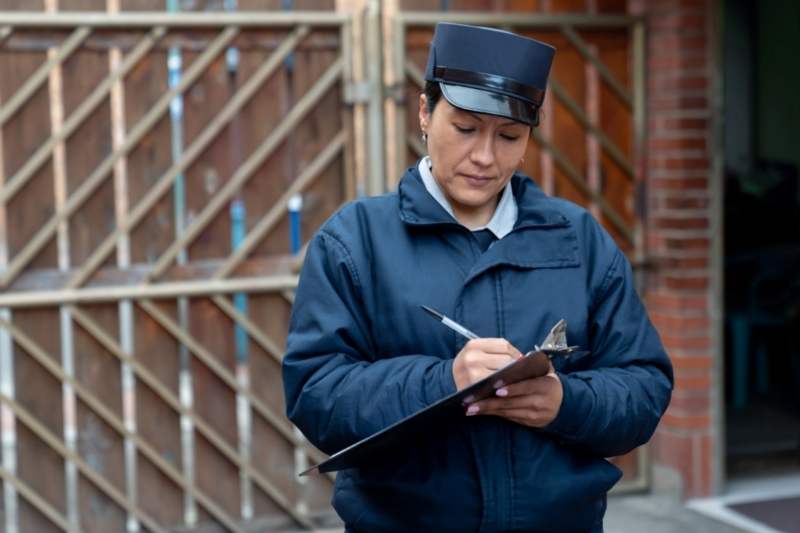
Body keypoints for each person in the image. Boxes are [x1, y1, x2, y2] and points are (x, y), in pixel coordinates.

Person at [283, 22, 673, 532]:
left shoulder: (578, 239)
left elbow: (644, 384)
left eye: (509, 136)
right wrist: (443, 381)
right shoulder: (355, 242)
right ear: (424, 113)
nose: (485, 157)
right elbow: (316, 394)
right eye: (465, 129)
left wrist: (565, 403)